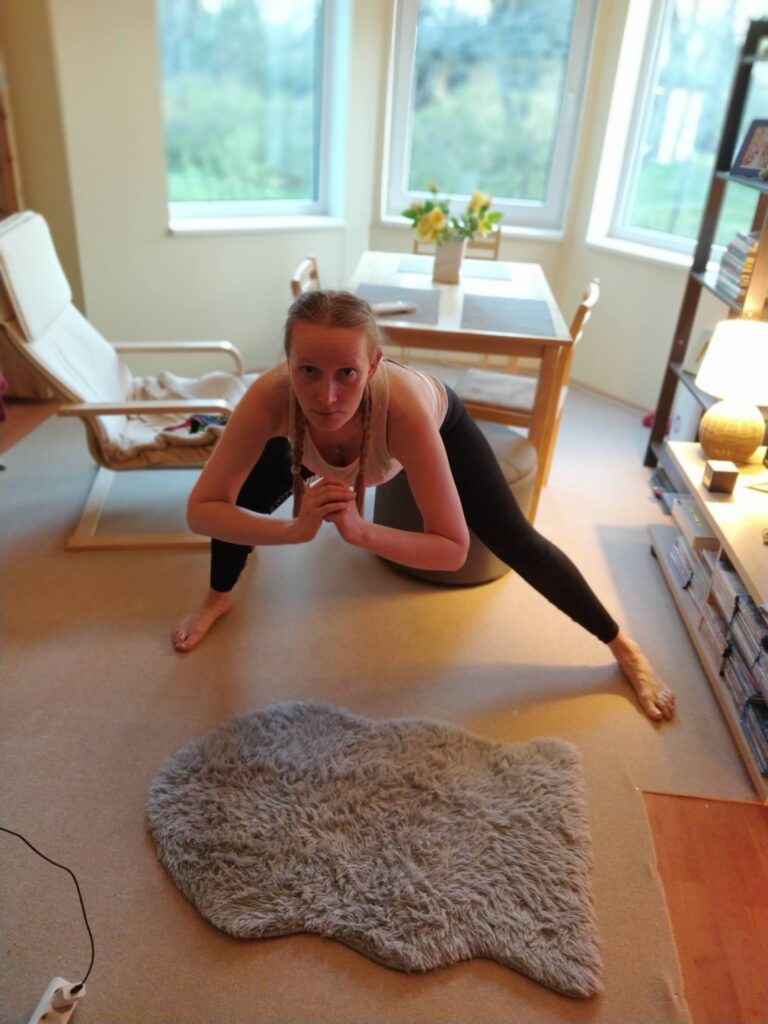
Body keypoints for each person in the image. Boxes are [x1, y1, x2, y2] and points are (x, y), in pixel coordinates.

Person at [172, 290, 675, 722]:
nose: (327, 396)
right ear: (287, 363)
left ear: (373, 365)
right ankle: (218, 596)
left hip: (436, 421)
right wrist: (294, 530)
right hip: (310, 443)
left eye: (347, 373)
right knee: (238, 500)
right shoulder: (270, 398)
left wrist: (362, 533)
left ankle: (622, 646)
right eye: (308, 371)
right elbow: (203, 509)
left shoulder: (407, 413)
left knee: (515, 539)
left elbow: (452, 548)